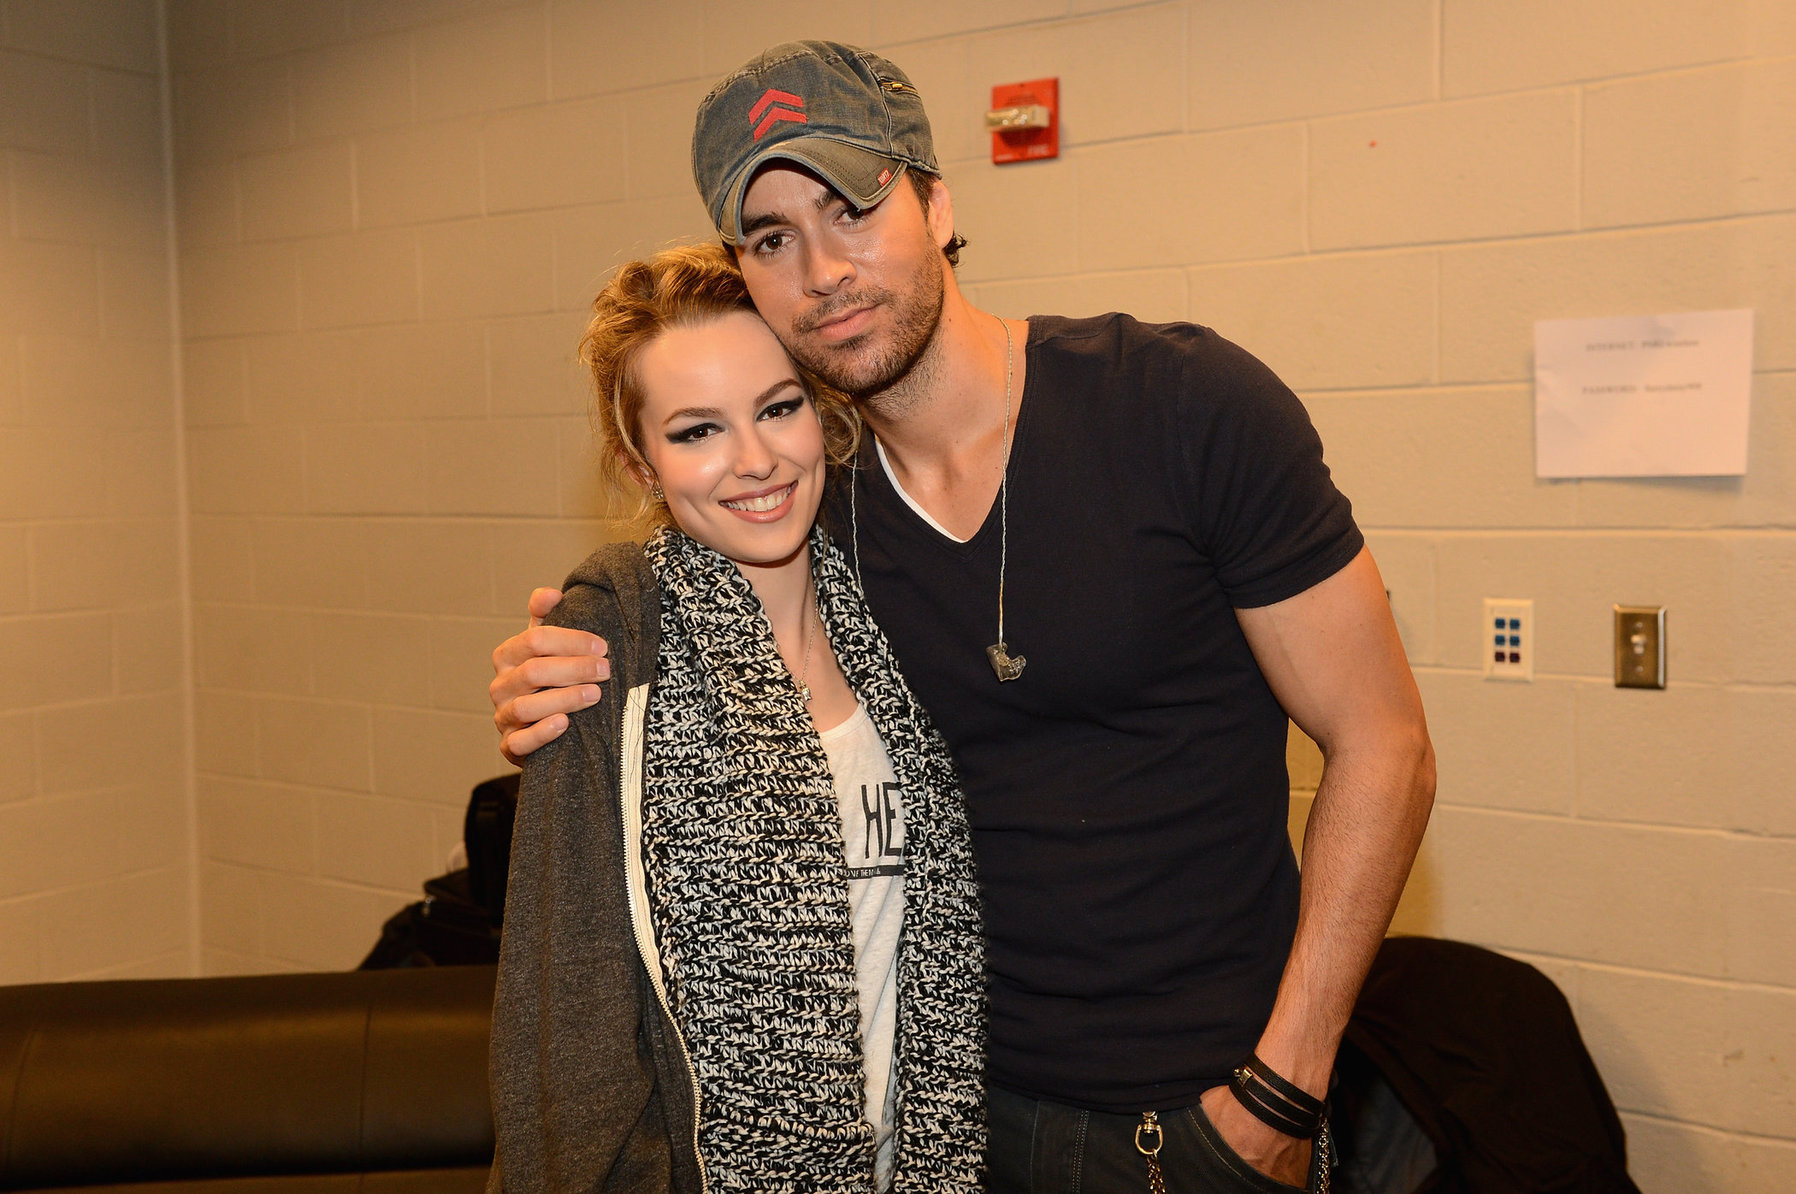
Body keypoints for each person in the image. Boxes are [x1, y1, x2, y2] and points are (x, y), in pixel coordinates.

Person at [490, 42, 1436, 1194]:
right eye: (772, 238)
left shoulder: (1180, 406)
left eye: (852, 208)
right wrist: (569, 662)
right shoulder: (810, 514)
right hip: (949, 1128)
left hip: (1204, 1115)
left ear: (937, 203)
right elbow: (672, 601)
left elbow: (1383, 744)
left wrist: (1280, 1092)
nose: (822, 268)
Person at [486, 242, 986, 1194]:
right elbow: (567, 1019)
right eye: (697, 430)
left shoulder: (897, 615)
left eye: (776, 408)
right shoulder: (618, 640)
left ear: (820, 411)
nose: (754, 461)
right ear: (639, 463)